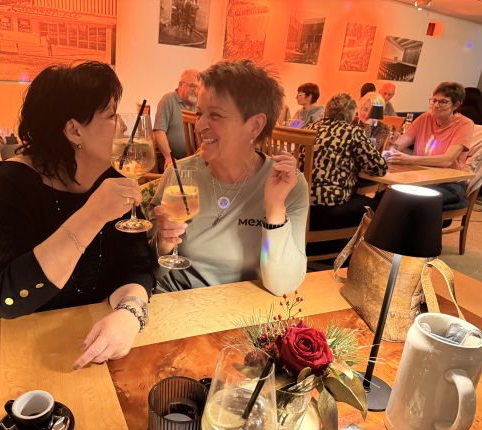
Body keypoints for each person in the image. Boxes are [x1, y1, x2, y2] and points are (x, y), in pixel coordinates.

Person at [0, 62, 156, 369]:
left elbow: (136, 265)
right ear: (74, 130)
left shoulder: (112, 177)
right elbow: (7, 298)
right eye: (111, 115)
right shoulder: (13, 181)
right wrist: (93, 215)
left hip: (55, 341)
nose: (122, 127)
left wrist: (130, 313)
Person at [151, 60, 308, 296]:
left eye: (215, 115)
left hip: (243, 309)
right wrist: (163, 242)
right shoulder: (179, 175)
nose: (199, 126)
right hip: (178, 301)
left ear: (255, 125)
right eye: (200, 113)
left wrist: (275, 208)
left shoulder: (288, 186)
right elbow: (148, 268)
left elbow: (282, 286)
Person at [304, 93, 387, 254]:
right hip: (330, 208)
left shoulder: (311, 129)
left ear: (326, 110)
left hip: (301, 205)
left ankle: (328, 247)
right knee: (383, 202)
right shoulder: (352, 132)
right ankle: (362, 255)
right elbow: (380, 167)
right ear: (351, 114)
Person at [387, 82, 474, 207]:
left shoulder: (465, 124)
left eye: (443, 102)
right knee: (387, 195)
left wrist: (409, 159)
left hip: (450, 183)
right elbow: (398, 145)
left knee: (410, 200)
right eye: (434, 100)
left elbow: (447, 160)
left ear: (456, 105)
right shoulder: (424, 118)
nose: (436, 105)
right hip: (420, 177)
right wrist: (391, 149)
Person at [153, 69, 200, 167]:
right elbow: (159, 131)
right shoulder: (168, 100)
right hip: (169, 159)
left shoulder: (198, 105)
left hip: (192, 160)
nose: (195, 91)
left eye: (198, 87)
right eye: (192, 86)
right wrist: (168, 157)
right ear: (180, 85)